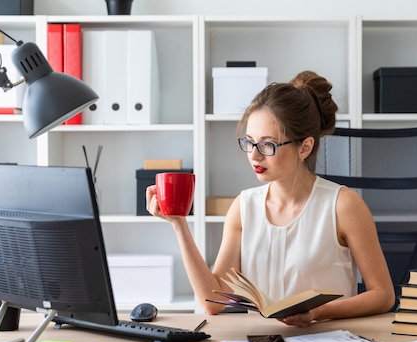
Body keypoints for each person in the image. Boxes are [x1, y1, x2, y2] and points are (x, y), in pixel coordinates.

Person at [146, 71, 395, 327]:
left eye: (267, 145)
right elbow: (213, 301)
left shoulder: (343, 205)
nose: (254, 156)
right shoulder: (243, 207)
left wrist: (317, 313)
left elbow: (383, 295)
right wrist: (178, 223)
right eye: (249, 142)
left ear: (305, 147)